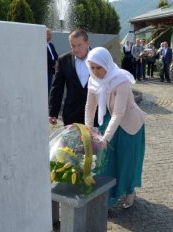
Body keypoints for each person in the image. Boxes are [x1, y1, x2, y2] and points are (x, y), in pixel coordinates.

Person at [84, 47, 147, 209]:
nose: (96, 72)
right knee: (106, 162)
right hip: (108, 121)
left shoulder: (120, 80)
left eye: (99, 67)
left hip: (129, 126)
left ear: (107, 64)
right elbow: (90, 107)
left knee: (126, 161)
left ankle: (129, 190)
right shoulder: (92, 79)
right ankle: (109, 196)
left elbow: (119, 113)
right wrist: (88, 130)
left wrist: (105, 138)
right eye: (92, 68)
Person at [48, 29, 92, 126]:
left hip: (96, 115)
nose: (76, 49)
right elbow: (57, 87)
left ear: (87, 43)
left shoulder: (99, 58)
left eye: (79, 45)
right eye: (73, 45)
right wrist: (53, 112)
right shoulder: (63, 60)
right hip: (71, 115)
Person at [46, 28, 58, 95]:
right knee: (46, 87)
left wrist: (57, 62)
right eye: (48, 34)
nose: (50, 36)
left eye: (50, 34)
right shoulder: (41, 45)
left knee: (49, 87)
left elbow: (55, 55)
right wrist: (54, 64)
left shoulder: (51, 45)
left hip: (51, 70)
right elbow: (46, 57)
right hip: (46, 69)